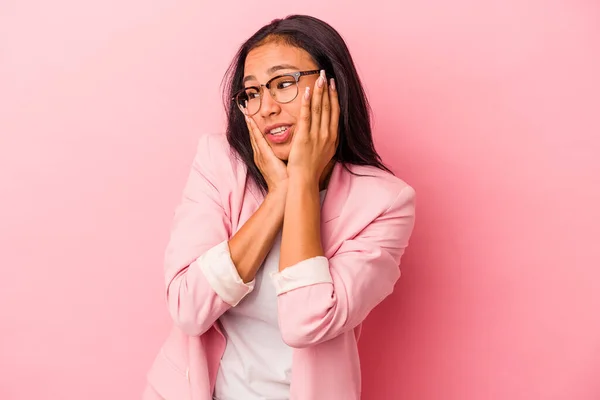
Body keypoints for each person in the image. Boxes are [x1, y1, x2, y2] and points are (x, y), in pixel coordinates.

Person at [143, 14, 416, 400]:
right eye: (251, 93)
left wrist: (303, 181)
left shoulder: (384, 203)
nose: (265, 107)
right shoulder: (219, 163)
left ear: (331, 85)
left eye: (283, 83)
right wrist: (279, 196)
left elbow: (306, 323)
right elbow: (188, 308)